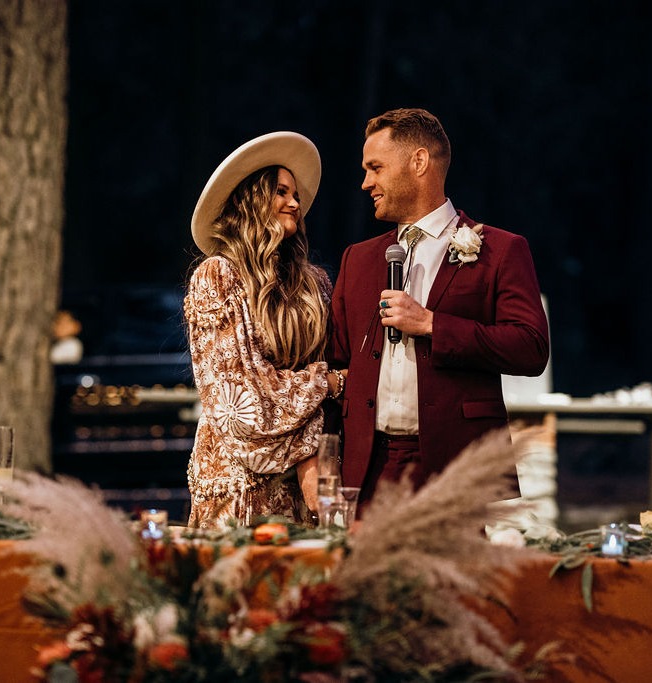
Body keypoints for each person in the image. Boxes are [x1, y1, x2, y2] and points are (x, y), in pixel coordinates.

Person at [328, 108, 549, 511]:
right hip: (369, 466)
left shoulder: (501, 250)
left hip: (454, 463)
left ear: (418, 162)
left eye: (376, 168)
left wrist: (432, 324)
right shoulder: (356, 259)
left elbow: (531, 348)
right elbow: (338, 362)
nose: (366, 183)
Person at [185, 132, 346, 529]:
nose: (295, 203)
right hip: (239, 481)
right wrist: (327, 384)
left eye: (296, 195)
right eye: (280, 192)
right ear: (251, 200)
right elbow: (241, 402)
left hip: (305, 485)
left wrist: (313, 460)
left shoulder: (315, 284)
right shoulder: (217, 276)